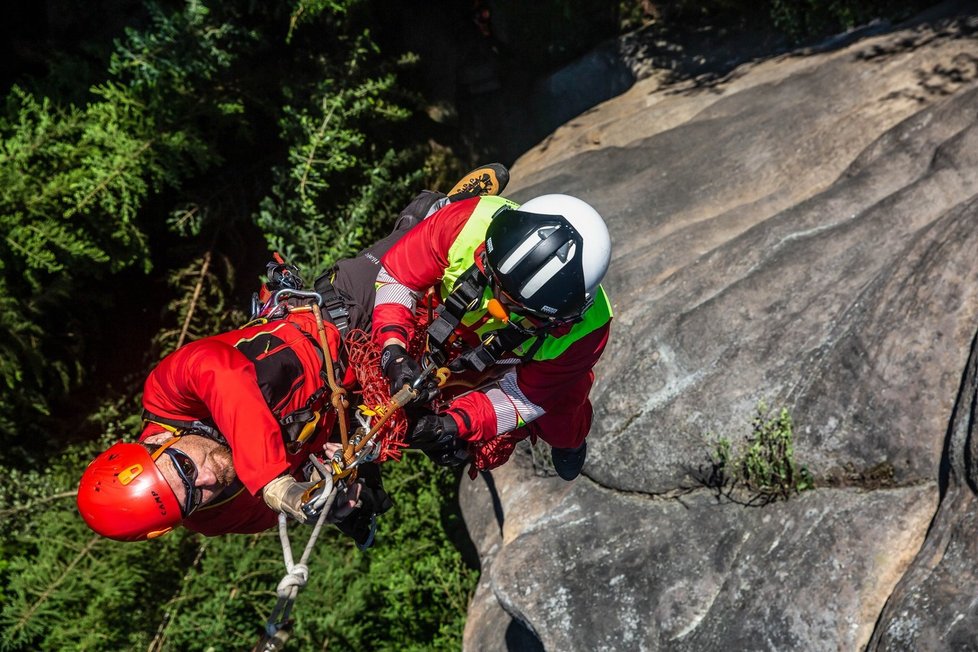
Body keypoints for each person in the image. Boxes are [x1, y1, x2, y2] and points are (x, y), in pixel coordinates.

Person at [75, 165, 511, 542]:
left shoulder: (170, 392)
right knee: (466, 409)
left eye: (185, 469)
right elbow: (292, 494)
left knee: (406, 268)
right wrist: (332, 497)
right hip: (355, 407)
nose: (206, 480)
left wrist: (270, 482)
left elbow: (223, 376)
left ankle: (436, 216)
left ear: (156, 442)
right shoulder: (219, 513)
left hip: (338, 322)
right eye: (191, 498)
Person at [372, 189, 613, 480]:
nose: (500, 305)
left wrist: (451, 424)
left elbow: (522, 398)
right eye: (497, 284)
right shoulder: (465, 223)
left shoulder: (587, 331)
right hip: (451, 318)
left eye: (518, 307)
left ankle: (572, 443)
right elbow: (398, 277)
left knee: (561, 419)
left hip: (522, 357)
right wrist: (394, 352)